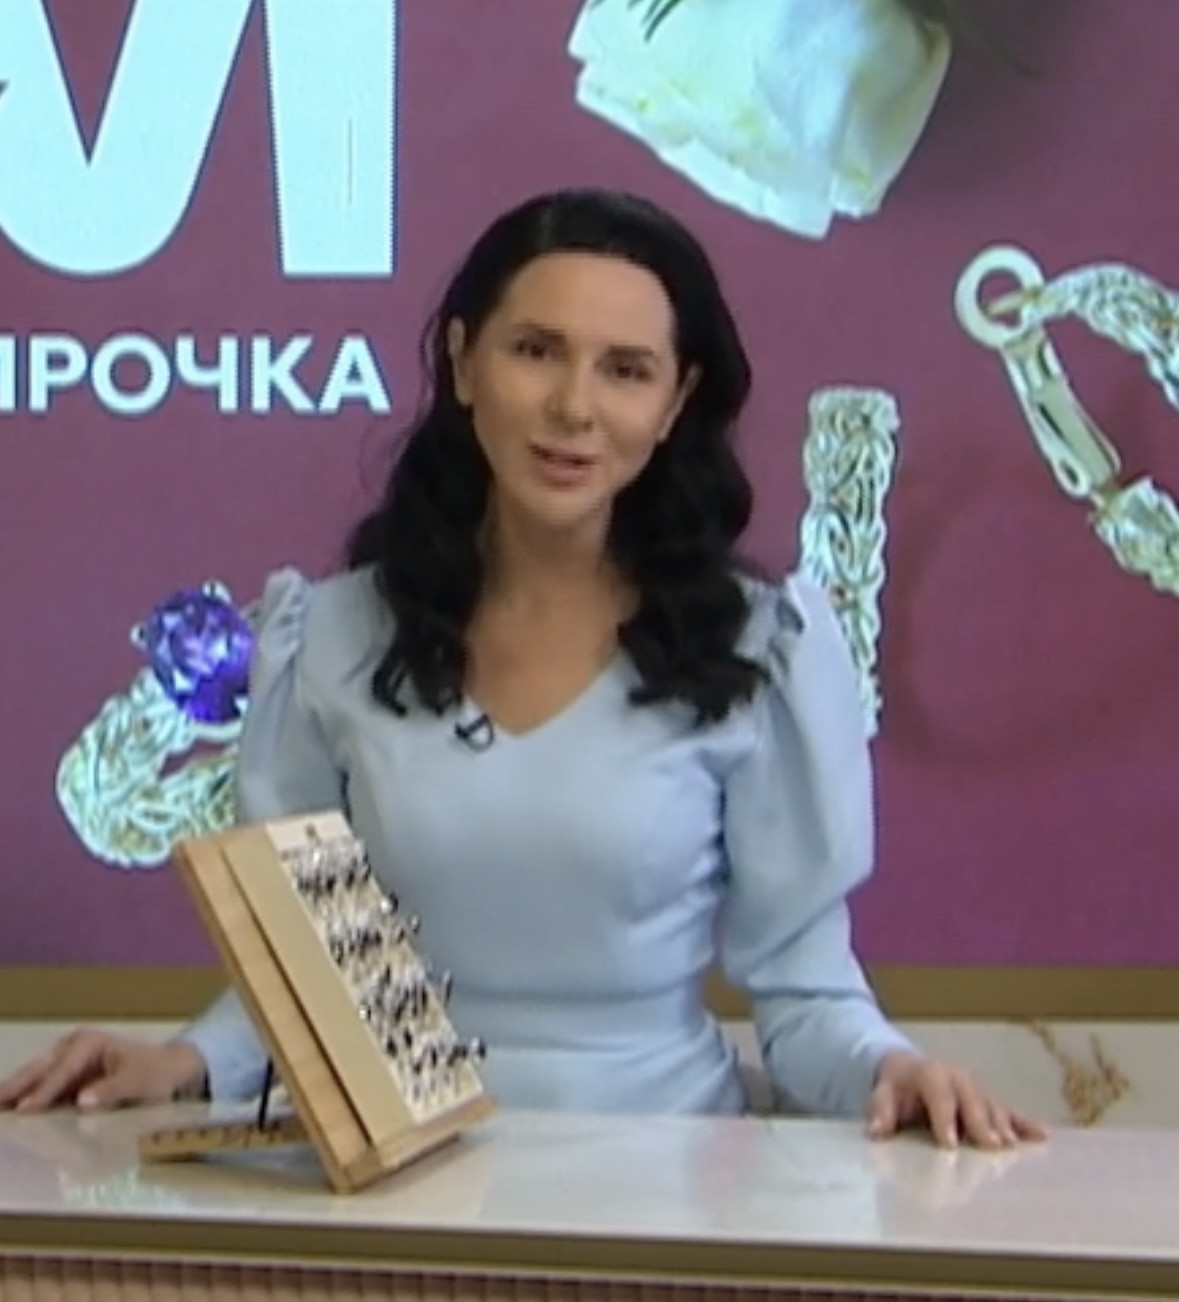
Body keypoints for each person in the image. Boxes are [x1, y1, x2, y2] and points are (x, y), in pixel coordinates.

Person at [0, 188, 1043, 1150]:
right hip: (398, 1186)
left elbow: (806, 995)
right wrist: (187, 1065)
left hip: (671, 1194)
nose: (573, 408)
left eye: (624, 370)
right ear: (463, 363)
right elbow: (312, 975)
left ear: (676, 401)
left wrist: (892, 1069)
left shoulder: (758, 652)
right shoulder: (331, 637)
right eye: (536, 351)